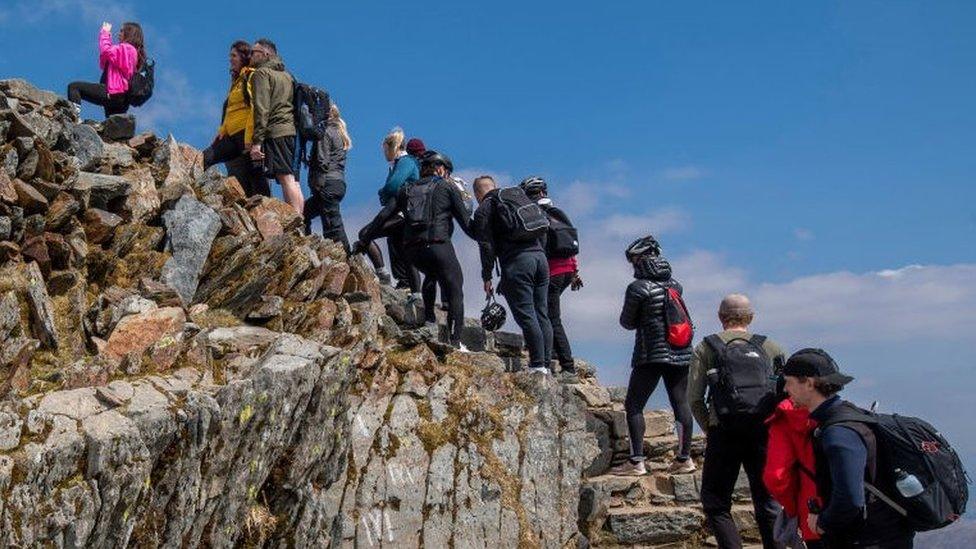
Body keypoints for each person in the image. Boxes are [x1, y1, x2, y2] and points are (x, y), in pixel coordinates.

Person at [783, 349, 915, 549]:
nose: (785, 389)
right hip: (886, 534)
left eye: (789, 382)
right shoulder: (850, 415)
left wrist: (823, 523)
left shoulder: (838, 434)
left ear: (809, 384)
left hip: (868, 539)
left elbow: (850, 498)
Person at [688, 293, 786, 549]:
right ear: (751, 317)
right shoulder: (771, 347)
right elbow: (787, 394)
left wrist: (710, 426)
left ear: (720, 318)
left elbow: (694, 398)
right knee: (767, 501)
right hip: (765, 432)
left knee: (716, 501)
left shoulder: (706, 347)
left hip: (724, 430)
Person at [357, 151, 475, 346]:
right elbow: (467, 224)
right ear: (440, 169)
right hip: (438, 244)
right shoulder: (446, 186)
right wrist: (488, 237)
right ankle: (455, 342)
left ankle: (429, 320)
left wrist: (364, 240)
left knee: (430, 274)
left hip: (413, 251)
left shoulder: (406, 189)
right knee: (455, 288)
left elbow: (382, 217)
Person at [608, 236, 694, 476]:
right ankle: (684, 458)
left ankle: (636, 462)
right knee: (681, 403)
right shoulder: (675, 285)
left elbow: (626, 322)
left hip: (650, 354)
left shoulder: (637, 288)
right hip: (680, 350)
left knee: (634, 405)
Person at [473, 175, 552, 373]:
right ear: (494, 187)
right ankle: (547, 364)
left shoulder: (485, 208)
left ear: (477, 194)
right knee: (542, 313)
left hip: (518, 261)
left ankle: (537, 365)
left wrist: (487, 276)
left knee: (527, 315)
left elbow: (486, 245)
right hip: (540, 259)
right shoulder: (515, 199)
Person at [519, 176, 582, 375]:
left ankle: (567, 366)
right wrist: (574, 272)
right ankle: (552, 352)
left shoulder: (535, 214)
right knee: (547, 313)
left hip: (551, 271)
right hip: (567, 270)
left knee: (550, 317)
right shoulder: (558, 212)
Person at [201, 40, 269, 198]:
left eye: (234, 55)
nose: (230, 59)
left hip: (246, 135)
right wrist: (221, 131)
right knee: (205, 158)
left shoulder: (251, 76)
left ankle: (268, 215)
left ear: (244, 57)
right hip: (232, 135)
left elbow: (256, 108)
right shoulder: (237, 81)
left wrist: (250, 138)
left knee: (256, 179)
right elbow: (230, 109)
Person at [248, 38, 304, 216]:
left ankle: (296, 221)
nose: (250, 56)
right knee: (293, 179)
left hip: (277, 131)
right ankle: (300, 220)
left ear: (265, 54)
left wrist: (257, 142)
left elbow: (262, 109)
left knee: (285, 177)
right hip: (291, 131)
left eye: (253, 52)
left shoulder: (261, 74)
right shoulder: (287, 75)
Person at [764, 397, 823, 548]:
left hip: (812, 513)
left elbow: (776, 478)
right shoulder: (839, 411)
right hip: (849, 512)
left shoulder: (785, 418)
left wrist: (792, 509)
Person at [67, 21, 145, 118]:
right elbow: (104, 62)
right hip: (120, 98)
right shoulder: (130, 51)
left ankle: (73, 117)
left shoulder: (127, 48)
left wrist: (105, 33)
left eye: (122, 31)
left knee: (74, 87)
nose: (119, 34)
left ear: (129, 33)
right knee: (113, 126)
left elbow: (106, 51)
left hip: (113, 93)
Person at [377, 127, 421, 292]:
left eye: (385, 150)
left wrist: (383, 192)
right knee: (396, 242)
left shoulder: (405, 162)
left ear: (391, 147)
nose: (384, 153)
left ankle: (403, 281)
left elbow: (393, 186)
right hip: (402, 211)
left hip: (404, 212)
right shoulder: (399, 163)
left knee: (369, 233)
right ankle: (404, 282)